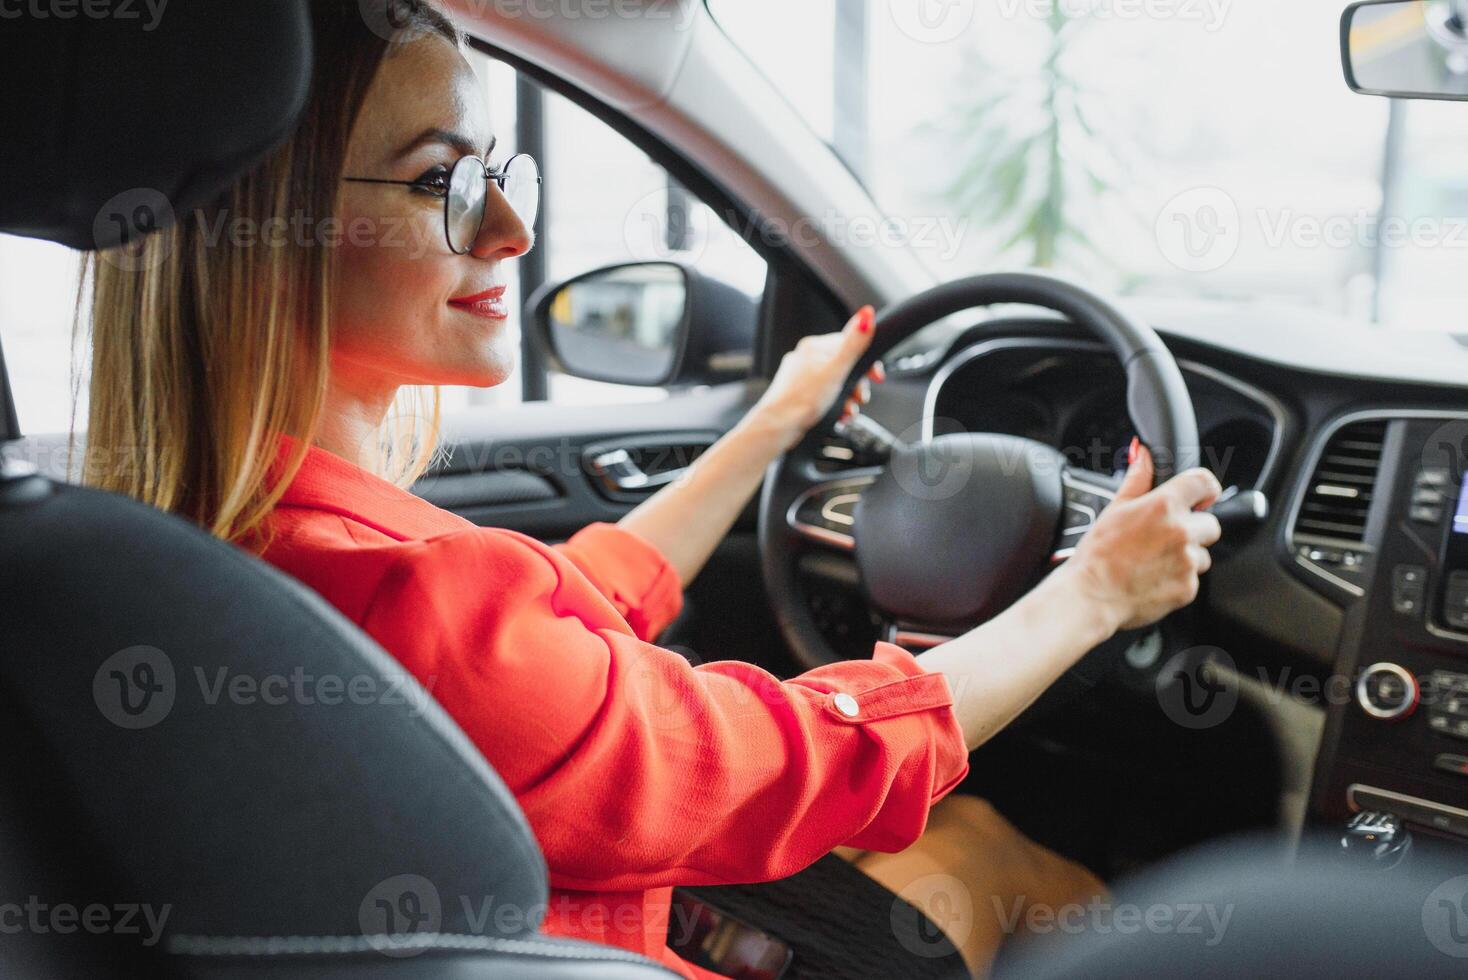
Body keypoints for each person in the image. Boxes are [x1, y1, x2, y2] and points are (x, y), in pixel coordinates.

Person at [78, 2, 1221, 976]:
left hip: (557, 925)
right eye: (442, 181)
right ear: (268, 234)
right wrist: (1094, 591)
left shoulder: (209, 548)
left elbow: (573, 605)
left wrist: (774, 422)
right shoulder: (418, 602)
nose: (514, 230)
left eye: (496, 174)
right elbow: (801, 754)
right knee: (987, 854)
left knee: (950, 827)